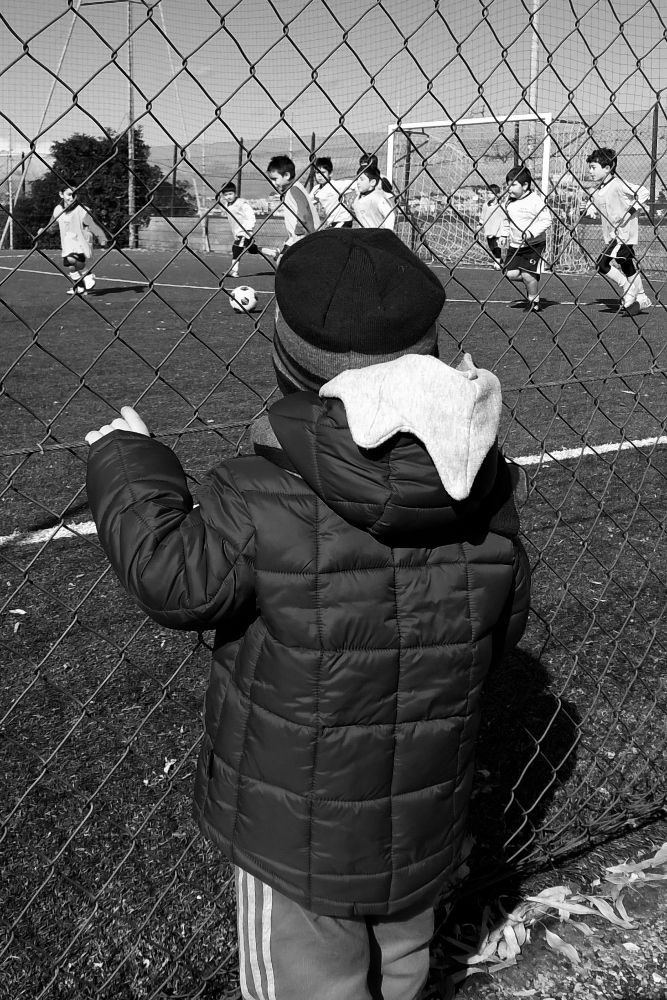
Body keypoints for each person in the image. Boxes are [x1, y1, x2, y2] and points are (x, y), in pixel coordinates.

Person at [85, 227, 530, 1000]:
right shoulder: (485, 487)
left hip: (293, 835)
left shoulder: (257, 491)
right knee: (402, 964)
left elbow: (175, 578)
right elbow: (505, 623)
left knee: (306, 984)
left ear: (287, 363)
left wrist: (129, 459)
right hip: (424, 811)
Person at [585, 147, 652, 313]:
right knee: (626, 263)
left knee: (601, 264)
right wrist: (590, 209)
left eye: (593, 167)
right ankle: (642, 298)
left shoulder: (618, 185)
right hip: (613, 236)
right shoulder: (598, 190)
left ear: (607, 168)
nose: (590, 171)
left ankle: (628, 288)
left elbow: (643, 192)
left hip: (623, 234)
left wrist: (629, 212)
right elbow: (598, 204)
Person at [37, 186, 109, 295]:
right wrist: (44, 230)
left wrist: (101, 237)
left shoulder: (82, 210)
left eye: (75, 194)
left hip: (80, 242)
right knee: (71, 267)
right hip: (67, 244)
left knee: (71, 259)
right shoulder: (58, 210)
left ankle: (88, 274)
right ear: (61, 194)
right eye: (69, 194)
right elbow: (52, 226)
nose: (72, 197)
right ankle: (79, 287)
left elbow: (93, 225)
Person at [503, 166, 552, 312]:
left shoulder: (535, 201)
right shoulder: (509, 201)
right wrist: (504, 234)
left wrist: (530, 233)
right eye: (508, 185)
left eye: (513, 185)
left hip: (534, 245)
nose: (509, 188)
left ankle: (534, 302)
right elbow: (506, 219)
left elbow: (547, 220)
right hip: (515, 245)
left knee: (526, 274)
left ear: (525, 186)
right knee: (510, 274)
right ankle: (531, 279)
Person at [264, 154, 319, 261]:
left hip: (304, 236)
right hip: (300, 237)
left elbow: (303, 210)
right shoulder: (291, 190)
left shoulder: (294, 189)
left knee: (283, 262)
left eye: (275, 179)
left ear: (287, 175)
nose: (273, 183)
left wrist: (299, 231)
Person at [220, 182, 259, 278]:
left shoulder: (242, 203)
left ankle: (234, 270)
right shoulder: (227, 205)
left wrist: (249, 230)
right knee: (251, 249)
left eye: (230, 194)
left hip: (244, 231)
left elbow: (251, 216)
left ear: (235, 193)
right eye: (226, 195)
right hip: (237, 232)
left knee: (236, 247)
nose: (228, 196)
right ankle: (273, 253)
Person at [311, 156, 355, 229]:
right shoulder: (316, 189)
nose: (319, 176)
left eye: (323, 172)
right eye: (317, 173)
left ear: (330, 174)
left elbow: (355, 184)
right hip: (331, 222)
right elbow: (308, 201)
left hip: (343, 221)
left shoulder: (336, 185)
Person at [353, 165, 396, 230]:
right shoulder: (357, 200)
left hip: (377, 235)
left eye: (362, 179)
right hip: (363, 235)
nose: (358, 182)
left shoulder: (378, 199)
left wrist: (387, 233)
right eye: (357, 179)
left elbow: (390, 215)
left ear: (372, 182)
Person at [479, 183, 506, 268]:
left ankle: (497, 263)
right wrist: (480, 224)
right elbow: (483, 216)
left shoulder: (501, 206)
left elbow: (505, 218)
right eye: (488, 193)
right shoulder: (485, 205)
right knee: (492, 247)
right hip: (489, 229)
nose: (489, 195)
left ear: (497, 194)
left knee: (497, 246)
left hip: (498, 230)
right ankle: (500, 260)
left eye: (491, 193)